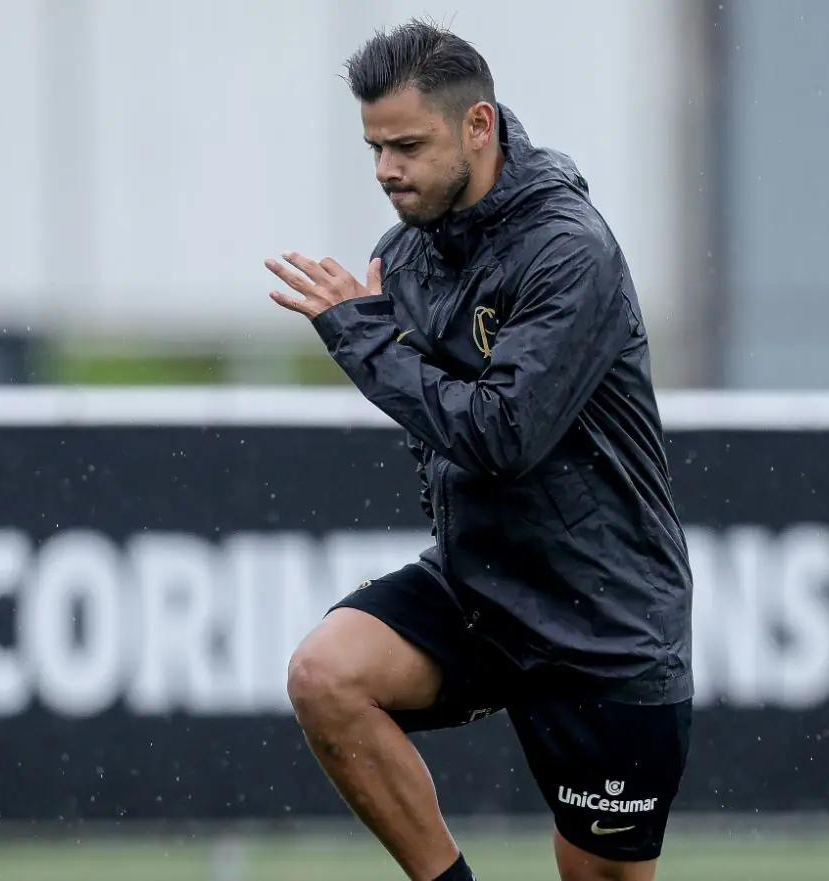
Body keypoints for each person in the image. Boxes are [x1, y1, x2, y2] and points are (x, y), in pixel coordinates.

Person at [264, 19, 694, 881]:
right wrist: (377, 339)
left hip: (599, 615)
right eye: (375, 147)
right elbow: (438, 424)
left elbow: (502, 435)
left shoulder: (569, 251)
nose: (386, 169)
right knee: (325, 676)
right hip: (477, 590)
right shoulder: (404, 256)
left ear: (479, 126)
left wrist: (363, 339)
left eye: (407, 145)